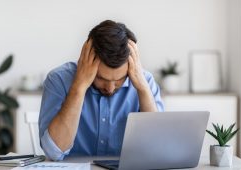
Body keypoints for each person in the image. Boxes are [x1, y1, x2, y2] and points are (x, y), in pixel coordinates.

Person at [38, 20, 164, 161]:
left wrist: (143, 89)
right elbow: (53, 152)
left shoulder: (145, 82)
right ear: (86, 58)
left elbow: (157, 149)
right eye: (100, 77)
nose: (109, 88)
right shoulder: (58, 80)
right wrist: (79, 87)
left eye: (119, 80)